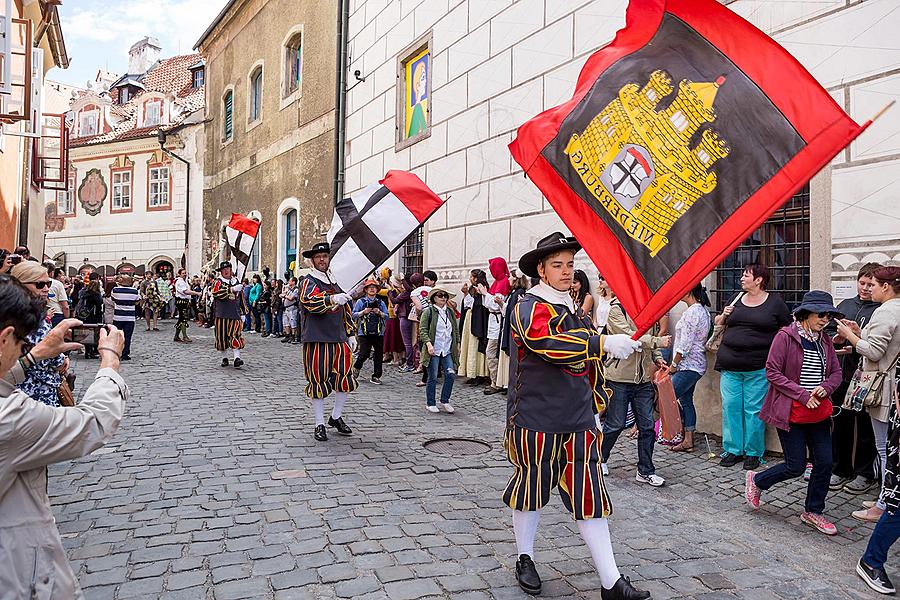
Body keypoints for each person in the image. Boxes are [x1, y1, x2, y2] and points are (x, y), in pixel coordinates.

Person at [505, 232, 646, 600]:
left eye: (570, 264)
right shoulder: (527, 306)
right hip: (536, 419)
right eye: (558, 265)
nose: (567, 271)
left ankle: (611, 582)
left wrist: (597, 404)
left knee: (591, 497)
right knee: (531, 491)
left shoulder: (573, 312)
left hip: (580, 420)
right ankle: (525, 557)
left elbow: (588, 366)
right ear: (541, 269)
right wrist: (602, 342)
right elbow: (545, 342)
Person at [0, 275, 127, 599]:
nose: (22, 349)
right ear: (4, 339)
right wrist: (110, 361)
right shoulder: (11, 418)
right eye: (21, 343)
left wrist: (31, 357)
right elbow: (91, 423)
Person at [746, 291, 843, 536]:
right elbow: (772, 372)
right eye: (821, 314)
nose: (825, 320)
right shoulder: (785, 337)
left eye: (829, 315)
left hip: (819, 412)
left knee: (825, 462)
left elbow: (835, 373)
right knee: (795, 465)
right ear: (806, 314)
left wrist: (826, 387)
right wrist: (802, 395)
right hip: (791, 411)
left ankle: (813, 511)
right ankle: (758, 481)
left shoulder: (825, 341)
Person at [836, 266, 900, 523]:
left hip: (883, 387)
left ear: (886, 287)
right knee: (888, 448)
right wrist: (861, 333)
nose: (869, 289)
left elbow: (873, 353)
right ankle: (885, 498)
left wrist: (849, 335)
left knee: (884, 449)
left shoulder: (886, 311)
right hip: (893, 383)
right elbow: (885, 345)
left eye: (873, 284)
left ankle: (884, 505)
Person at [715, 264, 792, 470]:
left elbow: (787, 329)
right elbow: (719, 323)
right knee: (730, 407)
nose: (741, 278)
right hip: (730, 364)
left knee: (754, 410)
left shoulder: (775, 303)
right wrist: (724, 314)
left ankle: (753, 452)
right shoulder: (735, 298)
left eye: (746, 275)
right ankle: (732, 450)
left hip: (758, 366)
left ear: (759, 280)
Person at [601, 286, 670, 486]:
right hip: (619, 377)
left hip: (643, 380)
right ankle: (600, 459)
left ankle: (645, 470)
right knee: (615, 423)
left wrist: (657, 358)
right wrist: (657, 342)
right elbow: (630, 338)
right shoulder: (616, 309)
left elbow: (652, 336)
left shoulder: (647, 309)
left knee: (647, 427)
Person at [830, 263, 882, 496]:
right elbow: (830, 330)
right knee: (841, 425)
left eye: (871, 285)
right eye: (862, 283)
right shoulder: (845, 305)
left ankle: (865, 474)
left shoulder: (881, 310)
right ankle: (840, 469)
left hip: (867, 378)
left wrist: (855, 341)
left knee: (865, 429)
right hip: (842, 376)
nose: (865, 288)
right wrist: (835, 340)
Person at [298, 241, 357, 442]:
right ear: (312, 260)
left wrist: (351, 333)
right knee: (318, 380)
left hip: (339, 338)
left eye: (325, 256)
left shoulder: (335, 281)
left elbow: (346, 310)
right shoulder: (308, 281)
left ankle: (336, 417)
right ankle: (319, 423)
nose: (322, 260)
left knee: (344, 378)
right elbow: (309, 301)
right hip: (317, 338)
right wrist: (331, 300)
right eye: (318, 257)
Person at [6, 262, 67, 406]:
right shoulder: (35, 320)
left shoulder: (7, 313)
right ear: (21, 285)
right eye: (40, 284)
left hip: (11, 396)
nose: (46, 289)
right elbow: (57, 361)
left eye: (48, 283)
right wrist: (63, 358)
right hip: (39, 395)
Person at [667, 283, 712, 452]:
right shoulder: (701, 311)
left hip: (688, 366)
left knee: (667, 399)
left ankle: (671, 433)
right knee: (686, 401)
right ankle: (688, 439)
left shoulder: (693, 312)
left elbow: (684, 345)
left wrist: (673, 365)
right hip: (694, 365)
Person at [420, 287, 460, 413]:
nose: (443, 298)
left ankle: (445, 400)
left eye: (445, 296)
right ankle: (430, 403)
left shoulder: (449, 312)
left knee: (450, 374)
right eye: (440, 296)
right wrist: (428, 344)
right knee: (432, 377)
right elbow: (423, 330)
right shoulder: (429, 312)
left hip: (447, 349)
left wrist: (457, 344)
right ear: (434, 298)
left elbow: (455, 329)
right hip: (434, 349)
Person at [352, 279, 387, 384]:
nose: (372, 289)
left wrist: (379, 312)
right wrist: (363, 312)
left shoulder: (381, 302)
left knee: (379, 355)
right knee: (364, 353)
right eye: (370, 287)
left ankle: (376, 376)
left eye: (374, 287)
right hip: (364, 332)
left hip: (378, 332)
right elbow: (353, 315)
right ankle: (356, 367)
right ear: (366, 290)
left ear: (377, 289)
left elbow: (387, 316)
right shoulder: (361, 302)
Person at [211, 261, 246, 368]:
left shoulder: (236, 281)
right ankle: (224, 358)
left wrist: (243, 312)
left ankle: (237, 358)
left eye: (228, 269)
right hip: (221, 314)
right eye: (223, 269)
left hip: (235, 314)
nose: (226, 271)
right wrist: (231, 289)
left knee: (235, 335)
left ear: (231, 270)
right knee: (221, 337)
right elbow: (216, 293)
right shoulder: (218, 282)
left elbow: (241, 298)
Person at [484, 258, 511, 396]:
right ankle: (496, 381)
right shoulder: (497, 282)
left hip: (498, 322)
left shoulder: (504, 282)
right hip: (493, 322)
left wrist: (485, 294)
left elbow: (495, 305)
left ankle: (496, 383)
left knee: (491, 353)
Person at [458, 269, 490, 383]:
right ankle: (471, 373)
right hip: (470, 318)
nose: (470, 279)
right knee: (469, 345)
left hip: (477, 321)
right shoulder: (473, 288)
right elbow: (468, 304)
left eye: (472, 277)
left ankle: (480, 374)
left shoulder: (482, 289)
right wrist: (466, 293)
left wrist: (466, 294)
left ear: (476, 278)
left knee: (476, 345)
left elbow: (476, 305)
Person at [389, 274, 415, 372]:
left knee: (407, 342)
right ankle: (409, 362)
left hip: (405, 317)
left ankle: (409, 364)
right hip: (405, 316)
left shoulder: (407, 292)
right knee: (408, 342)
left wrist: (390, 292)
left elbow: (394, 300)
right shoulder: (408, 292)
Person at [110, 274, 139, 361]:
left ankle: (116, 352)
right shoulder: (134, 291)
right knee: (128, 336)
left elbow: (113, 299)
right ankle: (125, 353)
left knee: (116, 336)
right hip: (129, 317)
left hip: (118, 317)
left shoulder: (115, 290)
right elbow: (137, 301)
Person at [382, 269, 405, 365]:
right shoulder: (403, 291)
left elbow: (379, 291)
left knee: (392, 338)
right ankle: (400, 358)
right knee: (398, 338)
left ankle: (395, 359)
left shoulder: (393, 291)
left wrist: (386, 285)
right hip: (399, 317)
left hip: (392, 317)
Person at [80, 277, 105, 360]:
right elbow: (100, 303)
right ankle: (93, 351)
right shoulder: (96, 295)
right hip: (95, 316)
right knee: (95, 334)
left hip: (85, 315)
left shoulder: (84, 294)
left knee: (87, 333)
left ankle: (88, 351)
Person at [174, 268, 200, 343]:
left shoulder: (184, 281)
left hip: (184, 301)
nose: (185, 274)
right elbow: (185, 291)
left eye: (185, 273)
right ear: (179, 274)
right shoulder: (180, 282)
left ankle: (176, 336)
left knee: (181, 319)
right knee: (183, 319)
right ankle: (184, 336)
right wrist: (196, 293)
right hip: (181, 301)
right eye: (183, 273)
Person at [281, 277, 300, 344]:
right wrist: (284, 292)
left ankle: (293, 336)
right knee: (286, 322)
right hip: (286, 308)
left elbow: (291, 298)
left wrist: (285, 296)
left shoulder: (296, 290)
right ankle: (287, 335)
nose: (289, 282)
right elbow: (281, 295)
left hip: (292, 308)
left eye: (290, 281)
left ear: (293, 282)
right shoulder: (288, 289)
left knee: (293, 322)